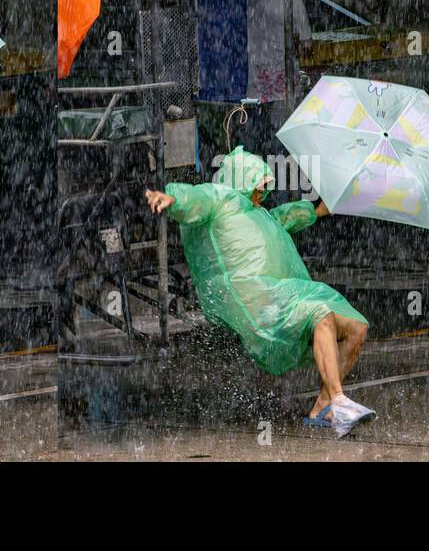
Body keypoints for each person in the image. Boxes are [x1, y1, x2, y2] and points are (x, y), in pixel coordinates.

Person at [144, 147, 375, 437]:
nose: (262, 192)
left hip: (285, 294)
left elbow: (293, 215)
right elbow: (195, 199)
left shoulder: (262, 214)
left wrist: (340, 196)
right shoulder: (221, 200)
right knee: (321, 315)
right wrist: (172, 199)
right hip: (259, 303)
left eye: (265, 186)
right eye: (258, 185)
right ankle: (340, 403)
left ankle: (324, 406)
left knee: (357, 328)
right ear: (242, 180)